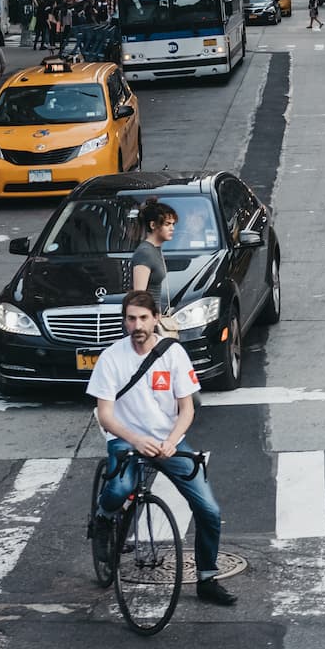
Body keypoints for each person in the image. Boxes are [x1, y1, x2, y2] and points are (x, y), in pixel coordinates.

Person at [86, 290, 238, 607]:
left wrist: (171, 441)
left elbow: (187, 410)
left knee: (209, 510)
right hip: (126, 437)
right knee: (119, 489)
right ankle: (103, 518)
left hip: (168, 439)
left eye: (143, 317)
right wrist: (136, 439)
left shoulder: (173, 354)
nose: (137, 324)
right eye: (131, 318)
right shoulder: (111, 358)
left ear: (155, 319)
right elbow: (105, 415)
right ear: (124, 321)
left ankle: (207, 579)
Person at [131, 200, 177, 315]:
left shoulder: (156, 249)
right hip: (145, 321)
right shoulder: (145, 253)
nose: (172, 228)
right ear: (153, 225)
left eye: (173, 224)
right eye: (167, 224)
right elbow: (139, 296)